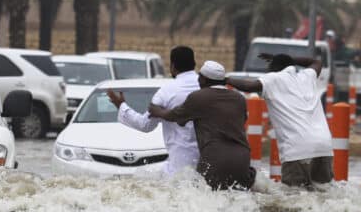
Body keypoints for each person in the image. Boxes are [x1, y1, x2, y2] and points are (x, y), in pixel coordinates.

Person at [227, 53, 332, 188]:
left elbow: (248, 86)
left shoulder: (273, 78)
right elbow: (316, 61)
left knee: (293, 197)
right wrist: (287, 59)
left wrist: (226, 80)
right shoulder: (307, 76)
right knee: (324, 193)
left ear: (274, 68)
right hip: (324, 146)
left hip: (297, 148)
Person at [149, 61, 256, 190]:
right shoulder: (239, 98)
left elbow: (174, 117)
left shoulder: (198, 97)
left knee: (205, 200)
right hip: (242, 160)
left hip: (215, 160)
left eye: (199, 77)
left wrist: (156, 110)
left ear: (204, 79)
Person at [106, 46, 200, 176]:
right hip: (209, 162)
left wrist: (121, 106)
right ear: (194, 64)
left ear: (173, 66)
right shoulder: (206, 87)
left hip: (179, 165)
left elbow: (145, 125)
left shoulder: (167, 91)